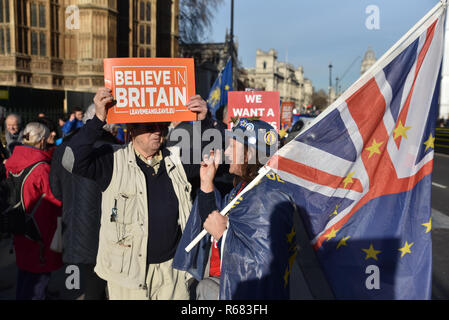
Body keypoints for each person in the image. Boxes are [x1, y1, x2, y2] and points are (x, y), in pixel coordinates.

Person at [61, 87, 213, 300]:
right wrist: (98, 119)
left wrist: (205, 121)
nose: (158, 131)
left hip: (172, 274)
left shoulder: (175, 159)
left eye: (160, 125)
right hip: (128, 277)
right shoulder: (113, 159)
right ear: (132, 131)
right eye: (150, 127)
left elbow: (211, 157)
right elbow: (71, 160)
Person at [173, 118, 297, 300]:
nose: (227, 152)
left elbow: (261, 268)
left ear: (249, 153)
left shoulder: (266, 197)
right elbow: (214, 222)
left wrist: (223, 236)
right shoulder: (245, 189)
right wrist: (207, 183)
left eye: (233, 146)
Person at [49, 104, 119, 300]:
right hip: (110, 236)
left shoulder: (63, 149)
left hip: (74, 234)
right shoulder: (117, 150)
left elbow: (56, 190)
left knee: (76, 291)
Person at [3, 122, 63, 300]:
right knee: (38, 277)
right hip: (40, 229)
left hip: (19, 223)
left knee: (24, 271)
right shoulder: (42, 167)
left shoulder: (11, 161)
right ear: (43, 141)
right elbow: (56, 199)